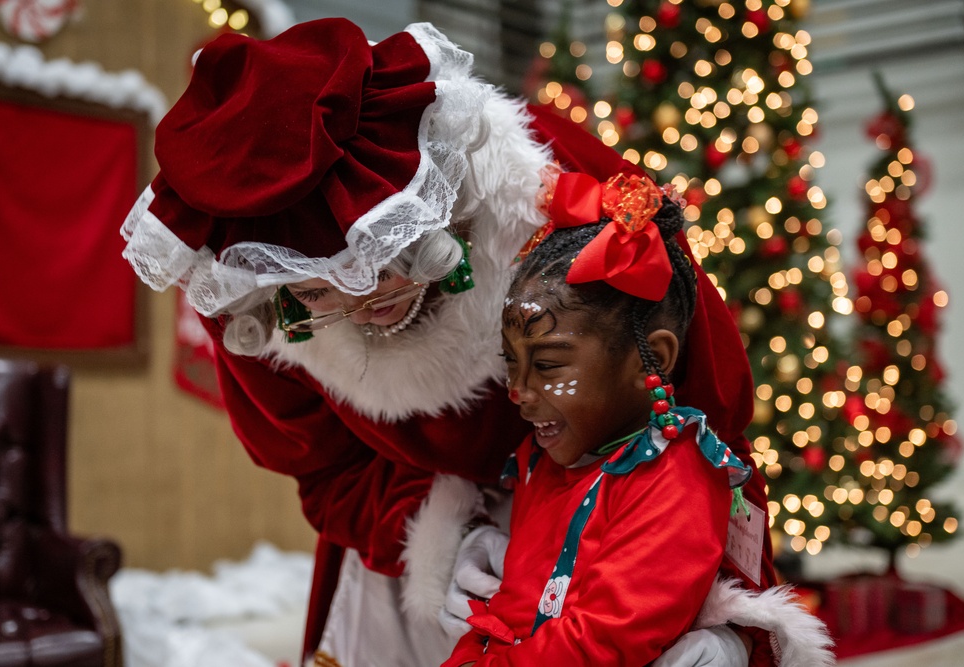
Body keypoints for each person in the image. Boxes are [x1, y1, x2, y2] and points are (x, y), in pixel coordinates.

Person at [120, 17, 787, 667]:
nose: (365, 309)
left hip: (630, 509)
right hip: (417, 556)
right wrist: (438, 545)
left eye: (380, 263)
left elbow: (702, 404)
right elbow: (325, 470)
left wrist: (717, 602)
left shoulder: (543, 190)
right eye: (318, 293)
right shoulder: (246, 294)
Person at [441, 170, 834, 666]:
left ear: (654, 357)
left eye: (546, 365)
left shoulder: (677, 478)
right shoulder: (542, 460)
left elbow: (601, 640)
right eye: (511, 363)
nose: (518, 391)